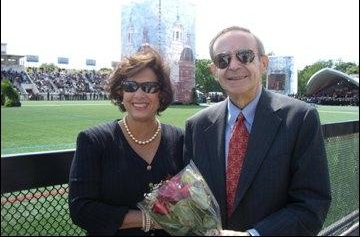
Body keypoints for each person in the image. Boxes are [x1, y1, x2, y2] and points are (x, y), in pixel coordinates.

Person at [183, 26, 331, 236]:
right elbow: (191, 199)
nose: (233, 66)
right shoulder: (197, 126)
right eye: (222, 60)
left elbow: (312, 204)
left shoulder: (299, 118)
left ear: (263, 63)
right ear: (214, 70)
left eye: (244, 56)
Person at [69, 46, 184, 236]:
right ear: (121, 93)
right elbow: (81, 209)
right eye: (130, 86)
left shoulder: (180, 139)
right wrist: (151, 219)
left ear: (161, 94)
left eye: (149, 87)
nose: (139, 94)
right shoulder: (94, 141)